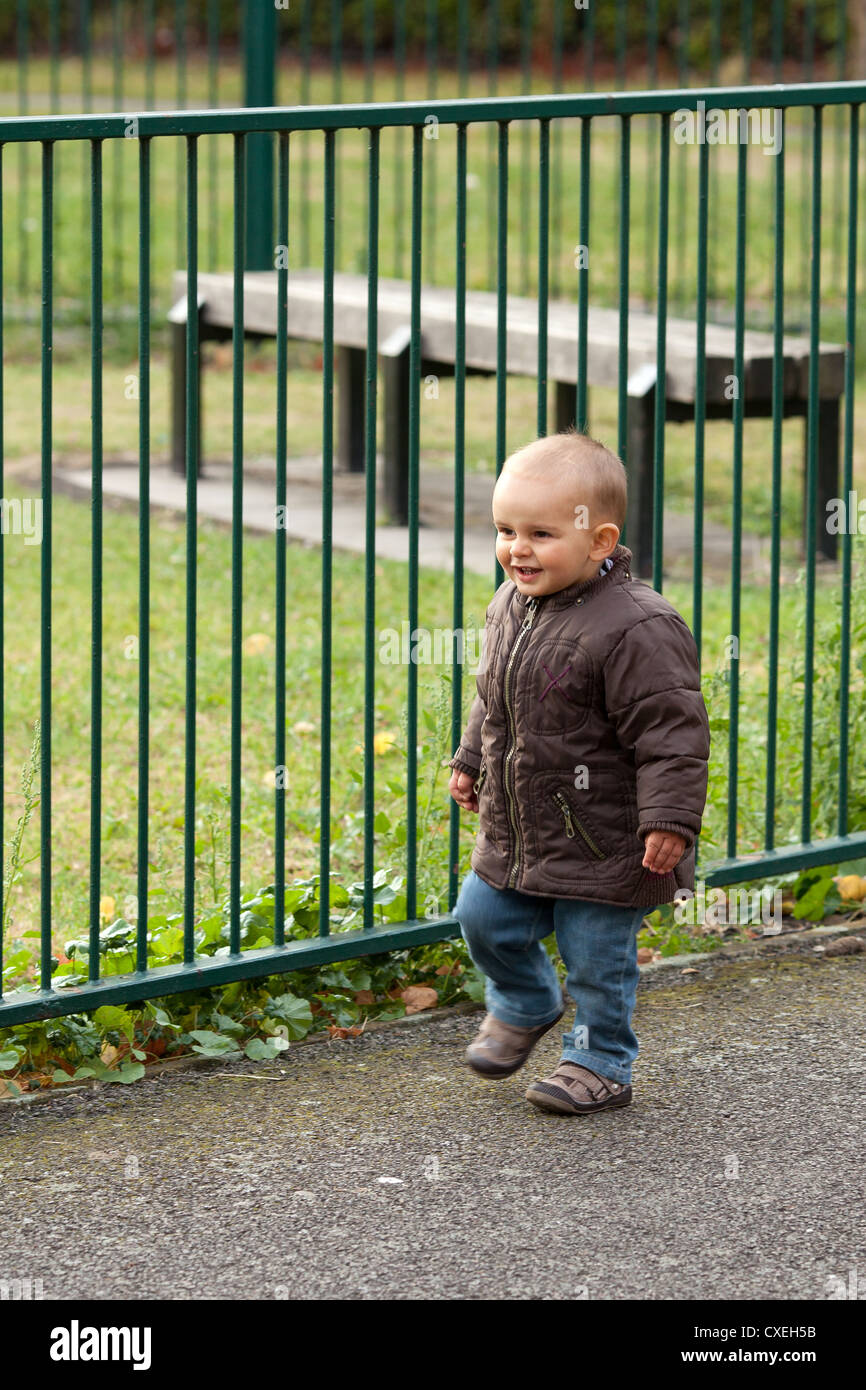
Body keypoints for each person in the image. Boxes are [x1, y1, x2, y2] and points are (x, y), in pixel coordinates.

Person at [448, 428, 710, 1115]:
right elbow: (494, 695)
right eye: (505, 529)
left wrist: (670, 819)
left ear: (599, 541)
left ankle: (600, 1061)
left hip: (606, 837)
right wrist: (472, 757)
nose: (516, 549)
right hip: (521, 828)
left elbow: (673, 734)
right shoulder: (512, 604)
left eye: (539, 533)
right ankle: (528, 1001)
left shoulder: (637, 627)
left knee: (597, 957)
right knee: (482, 917)